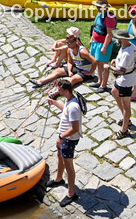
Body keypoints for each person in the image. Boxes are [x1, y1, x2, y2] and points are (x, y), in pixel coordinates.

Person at [48, 78, 84, 207]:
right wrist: (54, 103)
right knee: (60, 156)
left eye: (60, 90)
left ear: (66, 91)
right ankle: (58, 179)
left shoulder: (74, 107)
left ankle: (71, 193)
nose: (58, 91)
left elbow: (74, 128)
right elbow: (65, 110)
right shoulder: (69, 100)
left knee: (68, 165)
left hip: (68, 139)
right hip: (63, 137)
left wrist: (61, 137)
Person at [33, 33, 97, 88]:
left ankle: (55, 93)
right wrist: (69, 71)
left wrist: (90, 72)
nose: (68, 44)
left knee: (71, 80)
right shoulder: (69, 49)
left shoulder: (82, 51)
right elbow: (69, 62)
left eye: (70, 43)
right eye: (67, 43)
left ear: (76, 41)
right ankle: (40, 82)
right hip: (77, 68)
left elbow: (94, 61)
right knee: (58, 71)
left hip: (85, 71)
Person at [109, 29, 136, 140]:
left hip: (126, 80)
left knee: (126, 106)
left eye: (117, 37)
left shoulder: (127, 53)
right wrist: (116, 61)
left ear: (122, 39)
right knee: (114, 91)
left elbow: (121, 71)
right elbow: (135, 59)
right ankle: (127, 119)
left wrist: (109, 67)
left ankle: (124, 129)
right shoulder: (129, 46)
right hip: (124, 78)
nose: (116, 38)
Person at [90, 0, 117, 93]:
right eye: (97, 6)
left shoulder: (109, 18)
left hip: (103, 43)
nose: (97, 8)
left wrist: (104, 47)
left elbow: (109, 33)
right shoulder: (99, 14)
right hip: (96, 42)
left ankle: (104, 85)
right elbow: (95, 27)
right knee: (98, 62)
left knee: (104, 64)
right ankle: (99, 81)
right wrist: (92, 39)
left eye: (99, 6)